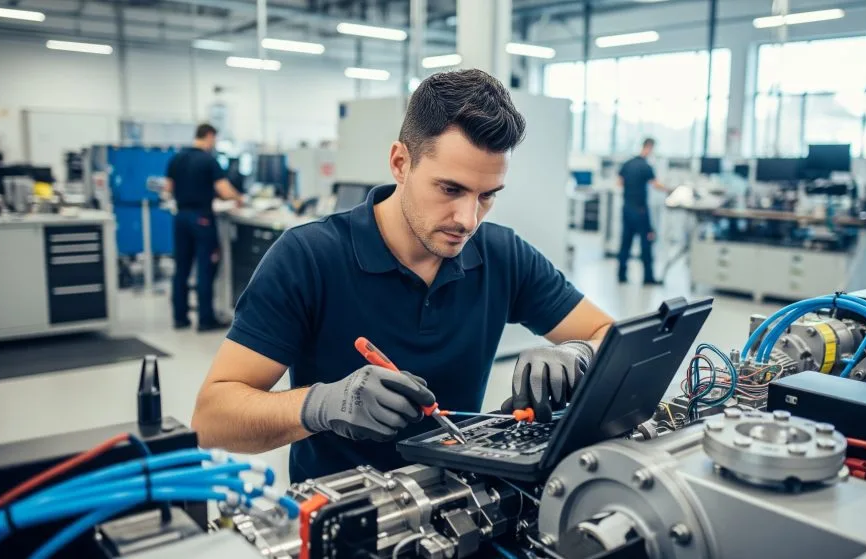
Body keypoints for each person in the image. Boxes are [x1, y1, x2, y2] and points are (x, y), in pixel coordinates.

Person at [191, 69, 615, 482]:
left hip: (463, 502)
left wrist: (579, 353)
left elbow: (606, 332)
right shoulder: (308, 257)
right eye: (450, 189)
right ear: (400, 163)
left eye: (486, 196)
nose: (468, 220)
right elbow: (212, 418)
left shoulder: (502, 253)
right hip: (343, 515)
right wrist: (321, 404)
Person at [165, 123, 243, 332]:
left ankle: (180, 318)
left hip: (180, 217)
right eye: (214, 139)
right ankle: (205, 320)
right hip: (202, 218)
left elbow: (168, 189)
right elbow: (224, 190)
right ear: (208, 136)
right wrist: (239, 197)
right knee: (205, 268)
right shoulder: (209, 160)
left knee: (181, 268)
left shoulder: (176, 158)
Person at [617, 138, 666, 286]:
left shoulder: (627, 164)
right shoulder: (646, 166)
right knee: (646, 243)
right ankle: (648, 277)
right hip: (640, 210)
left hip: (627, 208)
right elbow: (655, 184)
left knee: (625, 243)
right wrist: (670, 189)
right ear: (649, 147)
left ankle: (622, 275)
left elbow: (619, 183)